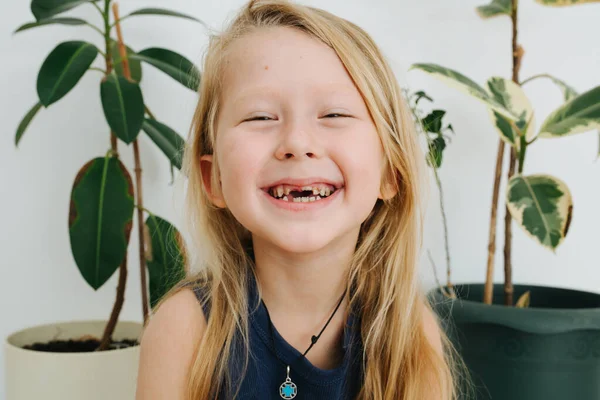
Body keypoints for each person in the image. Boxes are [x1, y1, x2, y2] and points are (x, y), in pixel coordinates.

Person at [136, 0, 467, 399]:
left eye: (334, 115)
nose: (297, 142)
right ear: (214, 179)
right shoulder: (184, 330)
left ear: (390, 171)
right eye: (260, 116)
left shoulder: (411, 335)